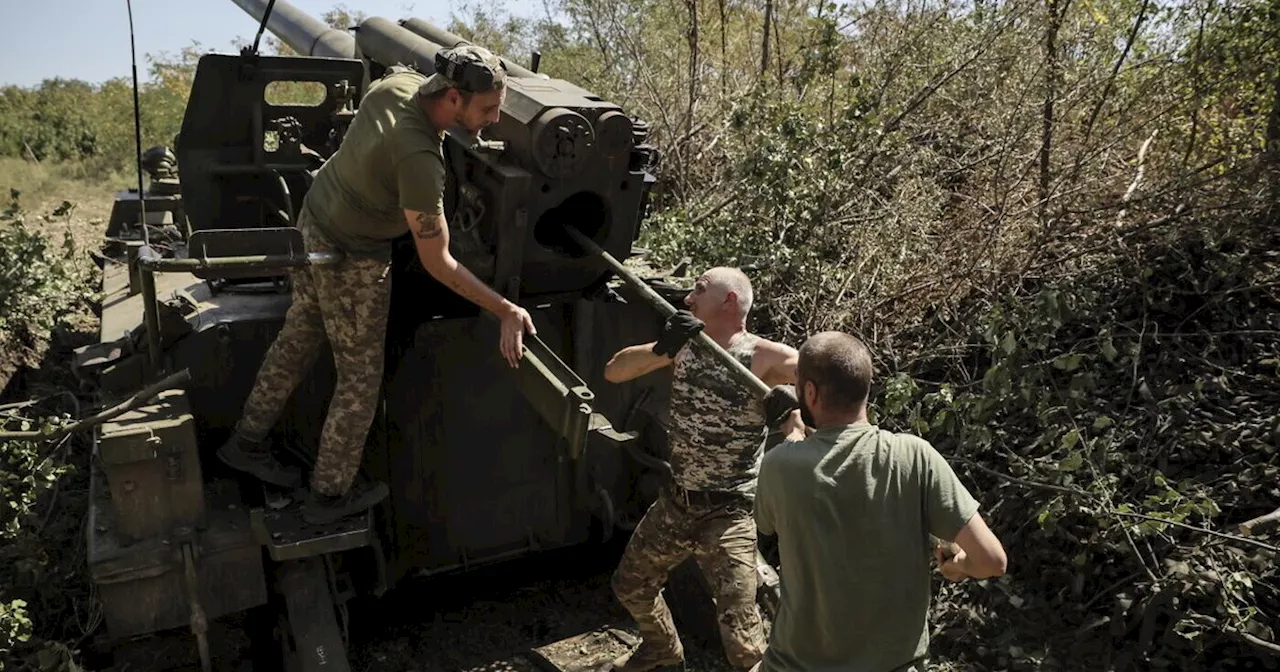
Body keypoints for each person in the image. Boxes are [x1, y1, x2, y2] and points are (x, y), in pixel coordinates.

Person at [216, 45, 536, 526]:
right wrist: (505, 309)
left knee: (300, 334)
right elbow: (440, 263)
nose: (492, 119)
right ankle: (328, 497)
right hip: (351, 256)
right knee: (361, 380)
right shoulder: (421, 161)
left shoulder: (395, 86)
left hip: (312, 224)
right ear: (452, 97)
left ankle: (245, 442)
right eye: (488, 109)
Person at [753, 331, 1008, 672]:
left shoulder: (781, 465)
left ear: (809, 393)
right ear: (866, 388)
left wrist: (793, 434)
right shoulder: (914, 456)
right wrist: (958, 566)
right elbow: (993, 561)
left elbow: (766, 524)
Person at [602, 267, 798, 672]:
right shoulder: (685, 345)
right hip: (676, 503)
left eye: (699, 290)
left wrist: (795, 406)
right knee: (630, 587)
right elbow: (613, 371)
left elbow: (822, 391)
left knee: (744, 644)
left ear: (729, 301)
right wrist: (663, 347)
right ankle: (661, 650)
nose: (689, 298)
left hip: (726, 515)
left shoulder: (762, 356)